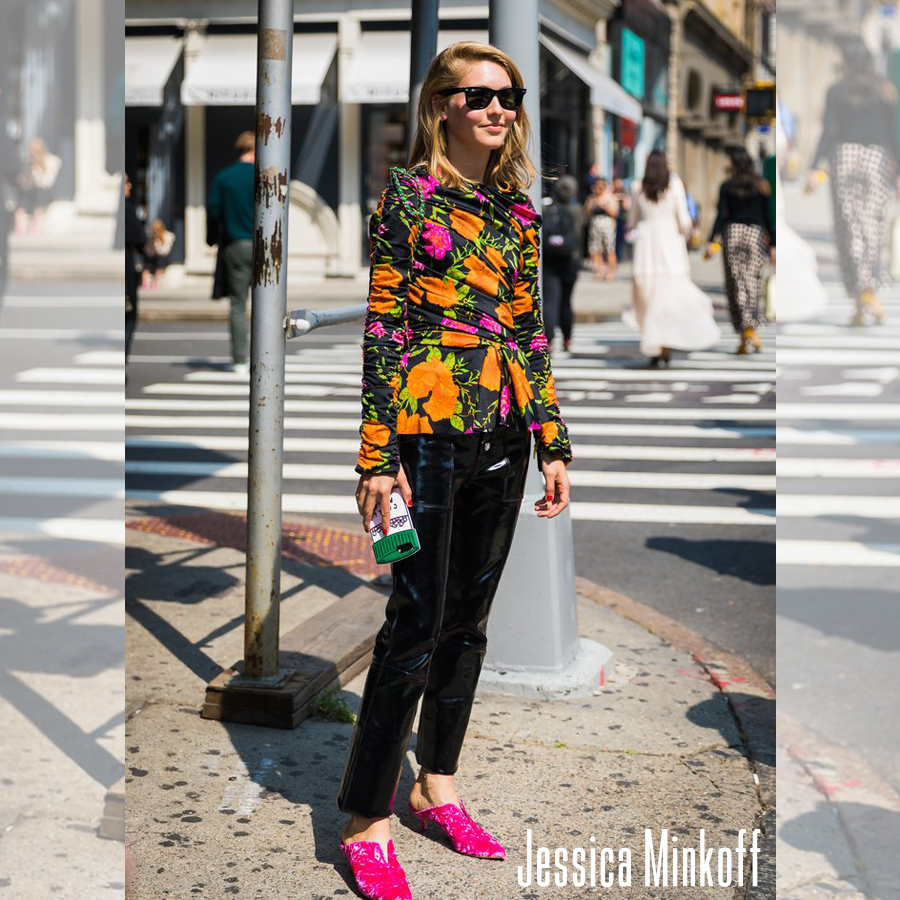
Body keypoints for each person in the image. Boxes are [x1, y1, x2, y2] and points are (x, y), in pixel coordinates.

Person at [339, 40, 573, 900]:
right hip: (428, 432)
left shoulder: (516, 209)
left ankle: (437, 784)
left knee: (469, 623)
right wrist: (376, 459)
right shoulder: (408, 200)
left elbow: (528, 329)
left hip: (504, 430)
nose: (497, 109)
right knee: (413, 621)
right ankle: (367, 816)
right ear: (441, 104)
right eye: (479, 96)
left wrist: (552, 440)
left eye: (508, 95)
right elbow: (385, 329)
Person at [807, 35, 899, 326]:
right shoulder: (885, 91)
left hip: (844, 158)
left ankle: (863, 297)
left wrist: (814, 166)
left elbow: (829, 131)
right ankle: (868, 294)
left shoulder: (836, 91)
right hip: (877, 160)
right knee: (872, 226)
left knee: (848, 230)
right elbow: (894, 132)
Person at [626, 150, 719, 367]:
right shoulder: (674, 184)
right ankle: (664, 342)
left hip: (647, 249)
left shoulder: (638, 187)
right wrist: (688, 233)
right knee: (668, 299)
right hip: (671, 248)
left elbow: (632, 220)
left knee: (648, 298)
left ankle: (655, 345)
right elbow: (683, 219)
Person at [706, 149, 776, 354]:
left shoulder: (727, 187)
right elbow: (768, 216)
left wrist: (711, 239)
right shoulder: (762, 186)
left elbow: (721, 214)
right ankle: (750, 329)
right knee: (752, 282)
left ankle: (744, 331)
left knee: (736, 283)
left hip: (733, 234)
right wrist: (773, 244)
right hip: (756, 235)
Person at [207, 131, 255, 373]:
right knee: (266, 303)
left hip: (235, 245)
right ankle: (266, 356)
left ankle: (239, 359)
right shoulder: (264, 176)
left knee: (238, 304)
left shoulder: (224, 178)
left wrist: (211, 239)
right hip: (265, 247)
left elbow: (213, 211)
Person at [541, 174, 582, 352]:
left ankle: (549, 339)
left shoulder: (546, 208)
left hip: (549, 259)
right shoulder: (578, 211)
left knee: (551, 300)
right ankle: (567, 337)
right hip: (571, 259)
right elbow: (582, 236)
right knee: (566, 300)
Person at [15, 137, 61, 237]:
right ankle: (20, 228)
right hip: (30, 190)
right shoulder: (28, 162)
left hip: (43, 189)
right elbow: (23, 182)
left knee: (39, 198)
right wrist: (29, 172)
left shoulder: (51, 161)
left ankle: (35, 226)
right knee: (21, 203)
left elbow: (47, 181)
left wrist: (38, 171)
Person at [125, 174, 147, 365]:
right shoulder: (127, 209)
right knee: (129, 314)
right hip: (126, 266)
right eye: (126, 183)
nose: (130, 186)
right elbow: (139, 239)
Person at [584, 177, 619, 280]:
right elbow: (587, 212)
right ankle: (599, 271)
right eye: (597, 186)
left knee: (610, 249)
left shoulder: (610, 197)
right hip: (595, 225)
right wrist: (592, 203)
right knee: (596, 249)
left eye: (601, 186)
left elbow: (615, 213)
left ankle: (611, 272)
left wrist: (605, 206)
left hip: (607, 225)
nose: (599, 188)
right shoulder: (591, 198)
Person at [142, 219, 176, 290]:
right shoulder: (152, 237)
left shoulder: (168, 236)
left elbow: (165, 251)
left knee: (160, 260)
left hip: (162, 256)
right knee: (146, 263)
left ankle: (156, 282)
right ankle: (145, 283)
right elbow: (148, 251)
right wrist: (152, 244)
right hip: (153, 256)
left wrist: (158, 243)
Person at [612, 176, 631, 263]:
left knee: (620, 239)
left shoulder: (625, 192)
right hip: (613, 219)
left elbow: (627, 206)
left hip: (622, 218)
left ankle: (619, 257)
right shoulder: (611, 192)